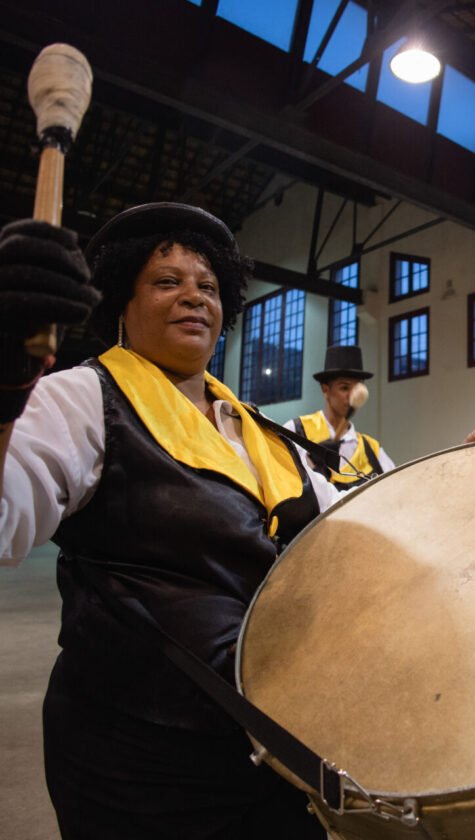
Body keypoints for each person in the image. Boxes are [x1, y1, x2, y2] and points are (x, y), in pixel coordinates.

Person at [0, 203, 337, 837]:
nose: (193, 297)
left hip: (273, 744)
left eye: (208, 286)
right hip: (136, 761)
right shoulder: (81, 398)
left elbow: (346, 529)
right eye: (166, 281)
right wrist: (5, 388)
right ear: (121, 304)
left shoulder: (257, 427)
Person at [285, 344, 395, 489]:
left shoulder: (373, 450)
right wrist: (310, 462)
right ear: (325, 389)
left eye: (357, 388)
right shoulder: (297, 431)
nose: (351, 395)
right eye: (344, 388)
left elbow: (395, 488)